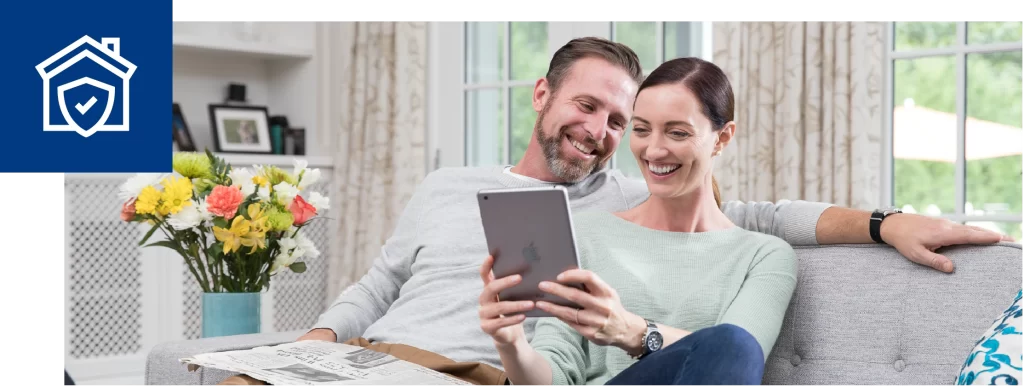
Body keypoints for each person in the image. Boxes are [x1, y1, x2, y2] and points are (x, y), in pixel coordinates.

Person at [234, 37, 1007, 387]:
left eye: (620, 119)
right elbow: (377, 281)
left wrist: (883, 222)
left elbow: (763, 219)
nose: (604, 133)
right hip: (372, 355)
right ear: (542, 95)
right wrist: (318, 338)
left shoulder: (629, 196)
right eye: (595, 109)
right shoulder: (448, 183)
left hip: (467, 375)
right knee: (239, 383)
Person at [479, 56, 794, 386]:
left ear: (723, 138)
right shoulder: (586, 233)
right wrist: (511, 344)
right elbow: (555, 374)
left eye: (676, 132)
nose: (654, 150)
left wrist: (632, 332)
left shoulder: (765, 256)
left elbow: (739, 358)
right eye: (641, 129)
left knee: (734, 343)